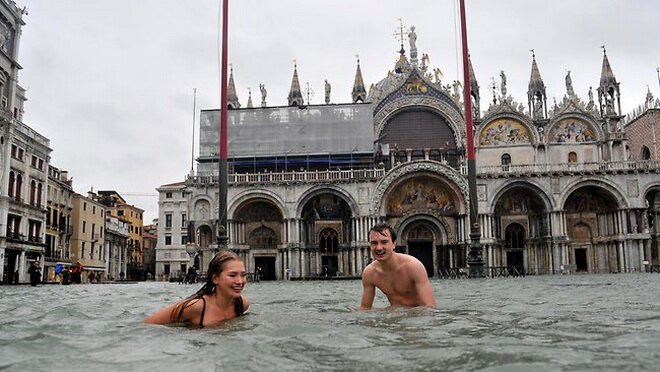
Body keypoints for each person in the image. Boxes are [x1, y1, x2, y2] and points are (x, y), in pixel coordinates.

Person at [145, 250, 251, 327]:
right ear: (215, 279)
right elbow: (149, 324)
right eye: (232, 275)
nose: (240, 281)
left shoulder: (243, 304)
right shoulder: (196, 307)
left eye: (243, 275)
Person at [360, 223, 436, 310]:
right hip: (393, 316)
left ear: (394, 244)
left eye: (384, 242)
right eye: (374, 243)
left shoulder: (413, 267)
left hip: (417, 316)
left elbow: (430, 307)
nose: (379, 248)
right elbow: (365, 309)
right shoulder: (370, 273)